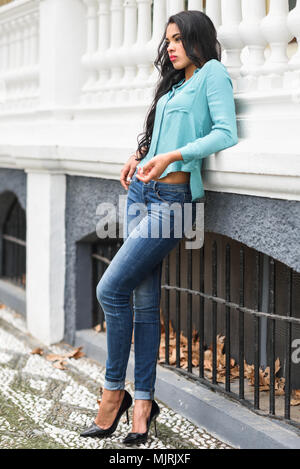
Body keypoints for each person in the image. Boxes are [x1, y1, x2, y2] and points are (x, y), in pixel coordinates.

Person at [80, 10, 238, 446]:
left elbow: (226, 132)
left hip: (173, 202)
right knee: (145, 305)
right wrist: (143, 152)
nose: (170, 46)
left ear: (197, 39)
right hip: (141, 197)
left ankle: (113, 394)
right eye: (167, 40)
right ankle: (144, 406)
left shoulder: (212, 76)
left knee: (109, 290)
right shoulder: (175, 83)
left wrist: (173, 158)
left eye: (177, 39)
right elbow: (162, 130)